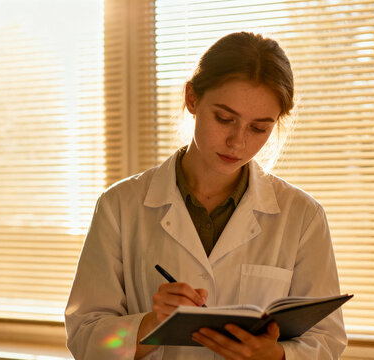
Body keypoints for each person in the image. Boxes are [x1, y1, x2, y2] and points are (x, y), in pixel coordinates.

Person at [65, 32, 347, 360]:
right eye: (225, 119)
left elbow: (327, 341)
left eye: (259, 128)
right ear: (192, 99)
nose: (237, 142)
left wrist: (276, 356)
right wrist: (152, 325)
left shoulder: (303, 216)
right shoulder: (119, 206)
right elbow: (85, 337)